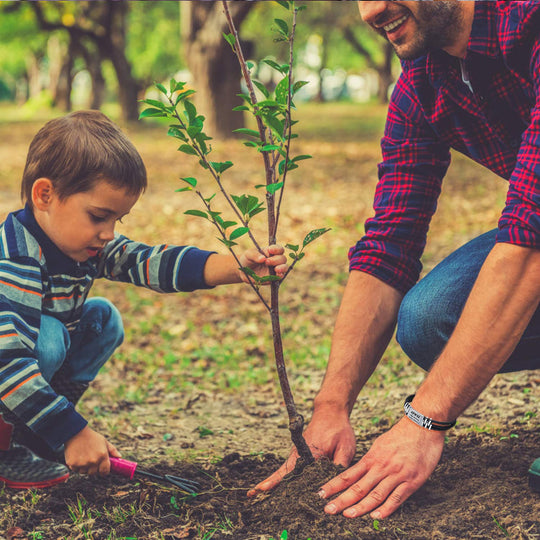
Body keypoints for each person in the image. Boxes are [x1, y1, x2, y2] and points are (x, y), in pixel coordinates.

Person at [251, 0, 540, 519]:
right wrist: (331, 408)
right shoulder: (424, 81)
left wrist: (423, 423)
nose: (370, 10)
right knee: (432, 318)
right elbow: (390, 241)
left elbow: (530, 237)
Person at [0, 110, 288, 489]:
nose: (109, 233)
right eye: (99, 216)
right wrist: (73, 433)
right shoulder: (17, 257)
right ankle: (10, 448)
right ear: (45, 194)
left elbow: (148, 261)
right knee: (49, 337)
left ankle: (40, 432)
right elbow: (7, 360)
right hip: (8, 368)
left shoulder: (82, 244)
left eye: (117, 220)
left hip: (20, 375)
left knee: (103, 319)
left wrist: (235, 267)